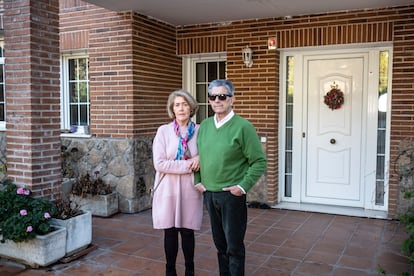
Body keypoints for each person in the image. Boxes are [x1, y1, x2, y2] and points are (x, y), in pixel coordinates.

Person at [195, 79, 267, 276]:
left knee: (234, 246)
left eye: (222, 96)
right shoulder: (205, 126)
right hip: (210, 194)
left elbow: (259, 161)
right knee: (220, 244)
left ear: (232, 99)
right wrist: (198, 181)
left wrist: (242, 187)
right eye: (212, 96)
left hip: (231, 196)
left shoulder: (243, 127)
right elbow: (198, 157)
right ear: (209, 100)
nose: (217, 100)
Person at [152, 89, 204, 276]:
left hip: (190, 189)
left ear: (191, 108)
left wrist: (200, 158)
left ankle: (190, 268)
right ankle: (170, 269)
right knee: (170, 231)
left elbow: (206, 157)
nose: (181, 108)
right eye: (177, 105)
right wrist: (189, 163)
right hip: (168, 189)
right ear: (172, 109)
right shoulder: (163, 131)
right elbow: (159, 164)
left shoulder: (200, 131)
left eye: (184, 104)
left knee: (188, 231)